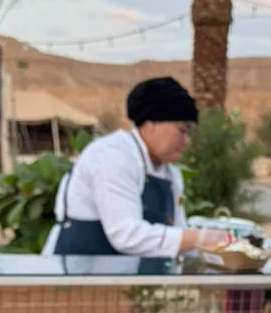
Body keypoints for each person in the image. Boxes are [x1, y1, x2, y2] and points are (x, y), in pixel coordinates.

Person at [43, 77, 227, 258]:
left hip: (126, 273)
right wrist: (199, 238)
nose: (187, 141)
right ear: (150, 123)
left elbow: (179, 234)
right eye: (182, 130)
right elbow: (126, 235)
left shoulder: (171, 174)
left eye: (191, 133)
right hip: (79, 269)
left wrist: (218, 251)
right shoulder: (113, 156)